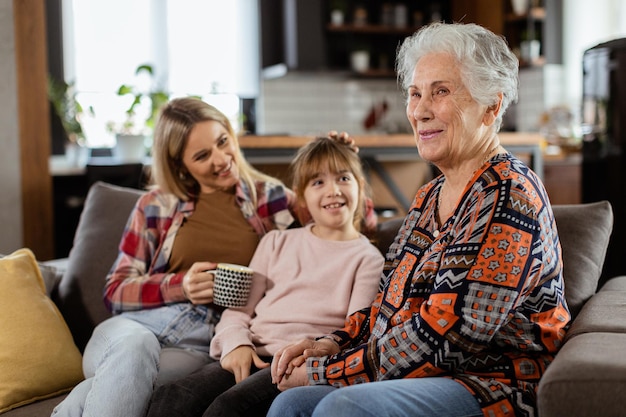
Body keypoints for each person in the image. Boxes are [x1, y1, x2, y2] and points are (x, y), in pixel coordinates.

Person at [268, 22, 570, 417]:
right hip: (422, 375)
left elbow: (450, 337)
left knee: (340, 407)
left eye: (441, 92)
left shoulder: (509, 194)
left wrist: (323, 372)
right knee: (290, 404)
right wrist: (335, 343)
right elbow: (389, 306)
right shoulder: (430, 195)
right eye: (415, 94)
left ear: (492, 106)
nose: (420, 110)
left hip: (492, 382)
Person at [51, 98, 367, 417]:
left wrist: (344, 162)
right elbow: (115, 290)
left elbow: (339, 219)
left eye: (222, 142)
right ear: (179, 164)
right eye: (202, 156)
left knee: (138, 388)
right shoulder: (156, 205)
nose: (221, 160)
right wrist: (181, 286)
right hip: (139, 326)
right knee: (135, 350)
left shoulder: (267, 197)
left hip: (201, 340)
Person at [145, 137, 384, 417]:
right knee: (173, 397)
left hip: (296, 363)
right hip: (252, 350)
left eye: (343, 178)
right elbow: (238, 311)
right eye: (318, 182)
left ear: (359, 186)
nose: (333, 191)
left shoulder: (368, 259)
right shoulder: (275, 242)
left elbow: (354, 334)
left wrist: (314, 357)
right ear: (301, 196)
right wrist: (237, 344)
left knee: (227, 408)